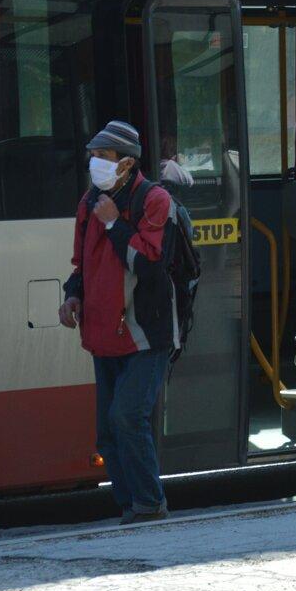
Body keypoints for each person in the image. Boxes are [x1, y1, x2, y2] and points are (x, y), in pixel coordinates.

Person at [59, 120, 175, 525]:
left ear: (126, 163)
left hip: (145, 334)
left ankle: (149, 504)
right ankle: (131, 507)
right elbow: (82, 264)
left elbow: (148, 264)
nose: (94, 163)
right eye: (92, 155)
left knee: (127, 416)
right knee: (108, 433)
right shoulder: (89, 201)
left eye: (103, 157)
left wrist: (113, 222)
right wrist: (72, 294)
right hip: (102, 333)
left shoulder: (154, 200)